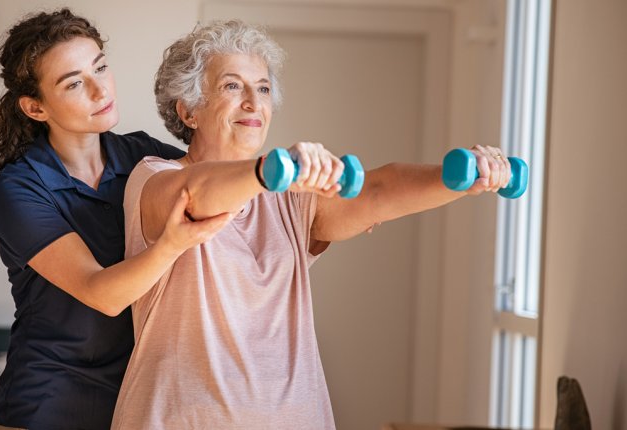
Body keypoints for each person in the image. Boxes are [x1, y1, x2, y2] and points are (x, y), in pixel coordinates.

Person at [110, 20, 513, 429]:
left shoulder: (289, 195)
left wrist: (461, 178)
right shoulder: (155, 177)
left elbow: (377, 191)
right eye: (232, 86)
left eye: (263, 88)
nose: (253, 102)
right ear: (188, 110)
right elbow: (195, 196)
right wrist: (270, 170)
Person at [0, 9, 231, 429]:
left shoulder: (143, 156)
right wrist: (172, 244)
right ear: (36, 108)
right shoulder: (17, 187)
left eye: (100, 67)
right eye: (74, 83)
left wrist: (306, 209)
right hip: (49, 402)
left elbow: (213, 180)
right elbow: (102, 294)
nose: (100, 89)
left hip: (137, 399)